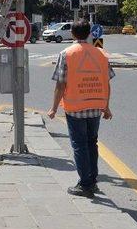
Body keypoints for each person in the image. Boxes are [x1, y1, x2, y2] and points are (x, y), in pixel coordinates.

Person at [47, 20, 114, 198]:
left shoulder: (67, 53)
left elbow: (61, 84)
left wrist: (53, 108)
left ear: (74, 34)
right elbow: (106, 83)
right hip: (96, 107)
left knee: (79, 145)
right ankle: (92, 180)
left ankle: (85, 184)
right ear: (89, 33)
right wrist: (106, 107)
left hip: (75, 108)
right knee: (92, 143)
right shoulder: (101, 54)